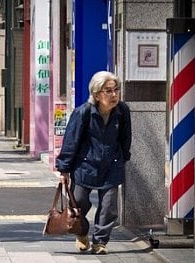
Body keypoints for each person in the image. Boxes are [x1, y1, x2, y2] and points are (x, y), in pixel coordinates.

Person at [55, 71, 132, 255]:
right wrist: (64, 168)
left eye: (116, 90)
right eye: (108, 91)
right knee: (78, 202)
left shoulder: (122, 111)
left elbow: (125, 137)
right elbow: (71, 141)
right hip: (85, 165)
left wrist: (123, 157)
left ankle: (100, 242)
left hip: (111, 165)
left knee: (109, 206)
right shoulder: (84, 112)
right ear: (96, 94)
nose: (114, 95)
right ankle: (82, 232)